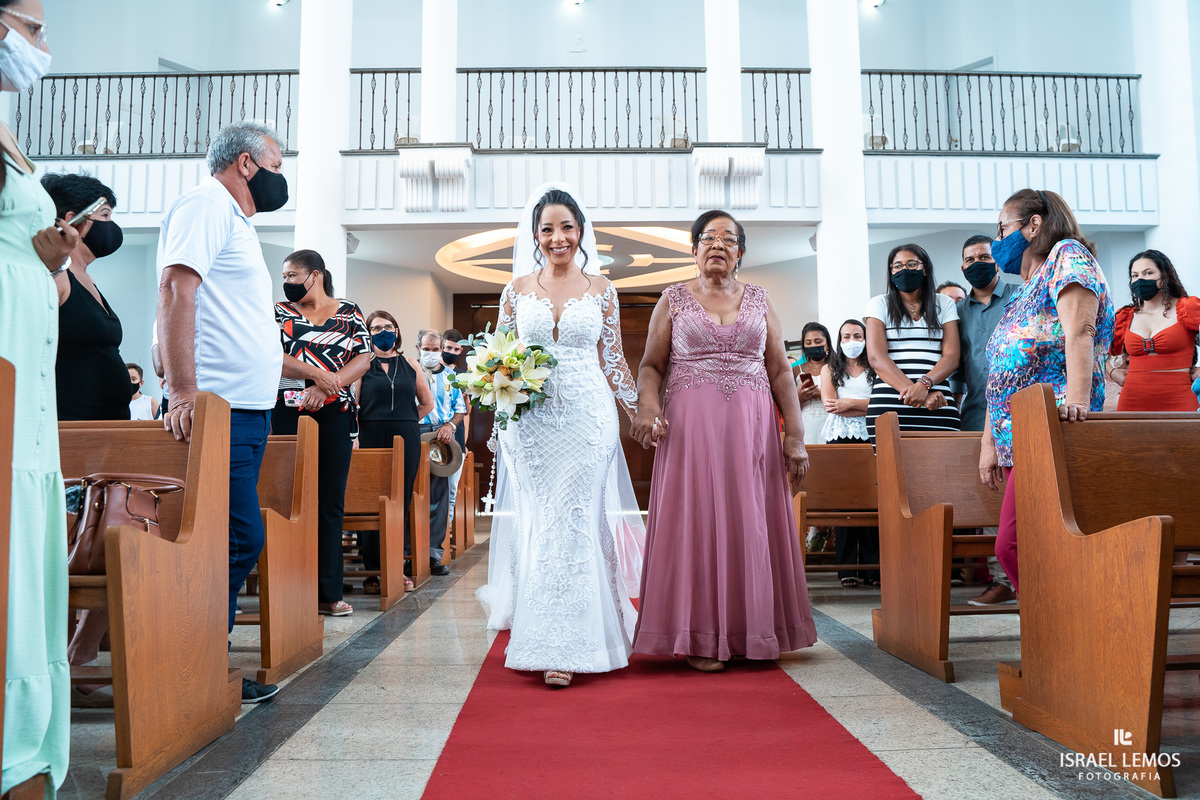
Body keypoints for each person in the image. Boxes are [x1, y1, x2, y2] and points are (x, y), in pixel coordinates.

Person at [630, 209, 817, 672]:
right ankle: (695, 633)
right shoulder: (672, 299)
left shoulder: (760, 298)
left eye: (728, 239)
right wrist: (647, 408)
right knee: (696, 520)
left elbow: (779, 371)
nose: (718, 244)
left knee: (749, 519)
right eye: (708, 237)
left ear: (740, 252)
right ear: (694, 249)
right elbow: (652, 365)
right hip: (691, 430)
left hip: (752, 429)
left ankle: (753, 629)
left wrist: (794, 435)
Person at [480, 184, 645, 688]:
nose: (558, 237)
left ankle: (573, 640)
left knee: (573, 515)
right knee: (542, 519)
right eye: (548, 229)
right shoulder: (516, 290)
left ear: (581, 232)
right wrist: (494, 389)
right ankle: (543, 631)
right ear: (535, 235)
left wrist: (641, 411)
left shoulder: (602, 290)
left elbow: (613, 360)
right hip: (529, 424)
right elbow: (501, 353)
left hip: (588, 417)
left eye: (566, 228)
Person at [157, 120, 290, 703]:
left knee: (233, 536)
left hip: (250, 407)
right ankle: (200, 666)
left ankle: (206, 660)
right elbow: (174, 290)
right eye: (276, 168)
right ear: (245, 163)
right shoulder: (206, 204)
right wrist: (183, 390)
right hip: (219, 408)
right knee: (237, 536)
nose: (281, 181)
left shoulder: (235, 220)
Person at [0, 2, 76, 792]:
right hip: (4, 343)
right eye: (33, 26)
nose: (44, 45)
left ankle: (29, 701)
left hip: (28, 341)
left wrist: (50, 262)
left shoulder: (11, 132)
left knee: (24, 513)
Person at [981, 188, 1114, 593]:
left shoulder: (1067, 256)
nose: (997, 242)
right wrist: (989, 443)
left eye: (1002, 229)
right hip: (1017, 438)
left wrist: (1076, 402)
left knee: (1015, 546)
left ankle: (1062, 632)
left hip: (1051, 427)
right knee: (1031, 547)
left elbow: (1079, 331)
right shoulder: (1024, 288)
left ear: (1033, 225)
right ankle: (1053, 634)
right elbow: (1002, 372)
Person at [272, 249, 372, 616]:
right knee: (288, 499)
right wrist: (315, 375)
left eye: (292, 276)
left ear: (315, 275)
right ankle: (287, 590)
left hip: (335, 412)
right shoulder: (280, 312)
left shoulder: (349, 311)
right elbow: (273, 354)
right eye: (284, 277)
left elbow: (363, 357)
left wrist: (328, 387)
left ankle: (329, 592)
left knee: (330, 501)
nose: (287, 283)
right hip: (286, 412)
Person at [951, 234, 1020, 606]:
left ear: (996, 260)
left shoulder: (1017, 297)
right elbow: (960, 368)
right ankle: (1001, 576)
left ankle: (1016, 576)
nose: (976, 262)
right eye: (969, 258)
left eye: (983, 256)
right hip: (976, 410)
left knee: (1017, 495)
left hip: (1014, 412)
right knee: (991, 494)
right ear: (962, 267)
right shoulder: (959, 312)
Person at [352, 311, 433, 595]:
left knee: (401, 500)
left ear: (396, 331)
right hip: (370, 435)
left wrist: (406, 421)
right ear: (368, 332)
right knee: (370, 501)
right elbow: (354, 405)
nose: (383, 331)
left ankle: (395, 567)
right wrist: (357, 437)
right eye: (376, 328)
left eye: (388, 327)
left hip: (405, 436)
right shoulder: (362, 364)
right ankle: (373, 571)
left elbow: (426, 404)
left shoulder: (411, 364)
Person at [41, 173, 128, 421]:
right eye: (105, 215)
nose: (111, 225)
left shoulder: (87, 278)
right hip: (73, 425)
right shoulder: (55, 277)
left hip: (109, 423)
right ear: (74, 221)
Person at [864, 243, 961, 440]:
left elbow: (951, 356)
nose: (904, 269)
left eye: (911, 264)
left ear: (924, 268)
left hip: (939, 404)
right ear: (891, 272)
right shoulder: (878, 304)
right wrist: (921, 396)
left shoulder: (944, 303)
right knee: (891, 470)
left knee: (944, 469)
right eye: (897, 266)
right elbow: (876, 358)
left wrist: (924, 384)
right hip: (890, 407)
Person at [820, 319, 879, 588]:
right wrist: (863, 406)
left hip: (871, 438)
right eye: (846, 336)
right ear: (839, 340)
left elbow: (881, 405)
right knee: (844, 504)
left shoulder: (876, 368)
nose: (852, 340)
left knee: (870, 501)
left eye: (857, 335)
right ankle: (846, 570)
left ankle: (872, 569)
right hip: (839, 439)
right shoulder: (829, 369)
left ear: (867, 339)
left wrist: (850, 404)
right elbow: (831, 406)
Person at [1108, 250, 1200, 412]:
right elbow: (1096, 353)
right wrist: (1113, 372)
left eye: (1148, 273)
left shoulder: (1188, 308)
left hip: (1181, 400)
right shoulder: (1125, 316)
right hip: (1131, 400)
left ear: (1165, 276)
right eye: (1134, 275)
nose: (1140, 280)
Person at [417, 330, 466, 577]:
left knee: (439, 497)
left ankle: (434, 555)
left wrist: (450, 426)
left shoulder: (451, 377)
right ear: (418, 348)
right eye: (427, 349)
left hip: (441, 438)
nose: (432, 354)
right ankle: (407, 553)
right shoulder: (410, 372)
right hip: (415, 433)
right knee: (410, 495)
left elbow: (460, 409)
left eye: (436, 350)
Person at [441, 328, 469, 538]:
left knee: (451, 491)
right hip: (432, 434)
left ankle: (443, 536)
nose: (451, 351)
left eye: (455, 349)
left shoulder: (463, 376)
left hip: (456, 437)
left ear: (460, 351)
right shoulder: (430, 371)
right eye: (448, 347)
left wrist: (464, 443)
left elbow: (466, 413)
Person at [796, 321, 830, 445]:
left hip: (831, 425)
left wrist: (822, 394)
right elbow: (788, 407)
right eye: (808, 343)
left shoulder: (837, 367)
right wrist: (799, 397)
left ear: (827, 344)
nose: (813, 345)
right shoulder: (796, 370)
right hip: (806, 426)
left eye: (818, 341)